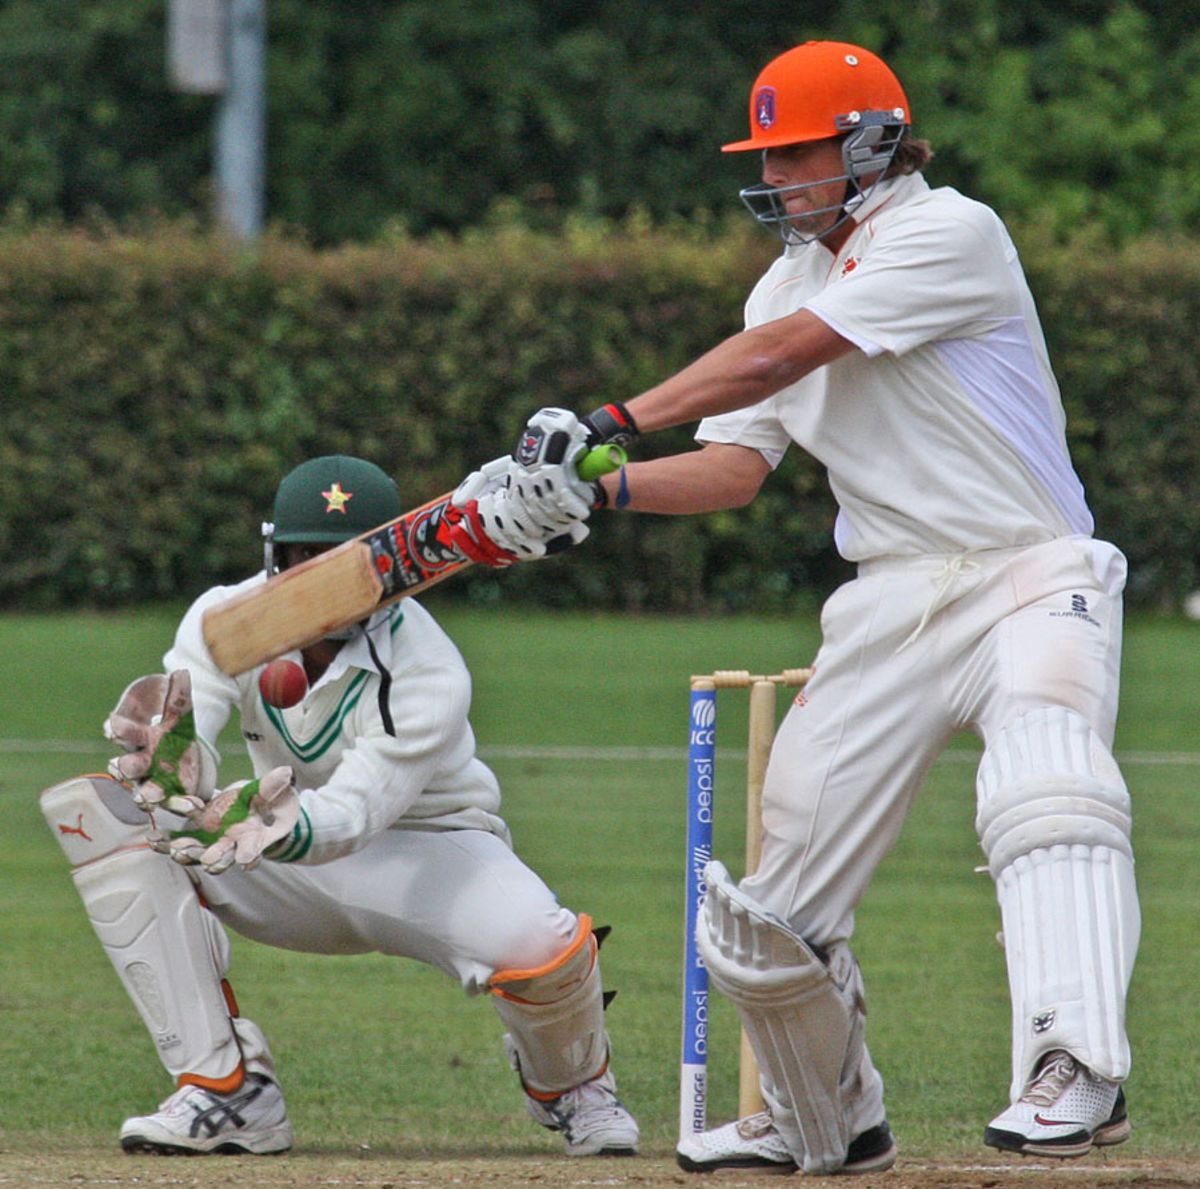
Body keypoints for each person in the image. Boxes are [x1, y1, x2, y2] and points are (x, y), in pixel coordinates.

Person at [449, 39, 1140, 1177]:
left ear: (872, 144)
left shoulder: (948, 233)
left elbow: (780, 359)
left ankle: (1076, 1066)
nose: (778, 175)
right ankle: (824, 1121)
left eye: (799, 151)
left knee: (1048, 781)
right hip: (891, 600)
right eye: (766, 153)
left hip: (1029, 568)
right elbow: (733, 466)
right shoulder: (782, 281)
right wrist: (594, 490)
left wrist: (611, 418)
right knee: (766, 920)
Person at [40, 455, 639, 1159]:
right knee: (113, 817)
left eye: (341, 563)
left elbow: (356, 812)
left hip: (431, 852)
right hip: (286, 864)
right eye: (301, 559)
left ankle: (572, 1083)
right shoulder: (223, 618)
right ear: (273, 554)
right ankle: (229, 1092)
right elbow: (190, 726)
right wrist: (168, 758)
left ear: (392, 566)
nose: (318, 583)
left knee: (546, 946)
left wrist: (256, 822)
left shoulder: (428, 669)